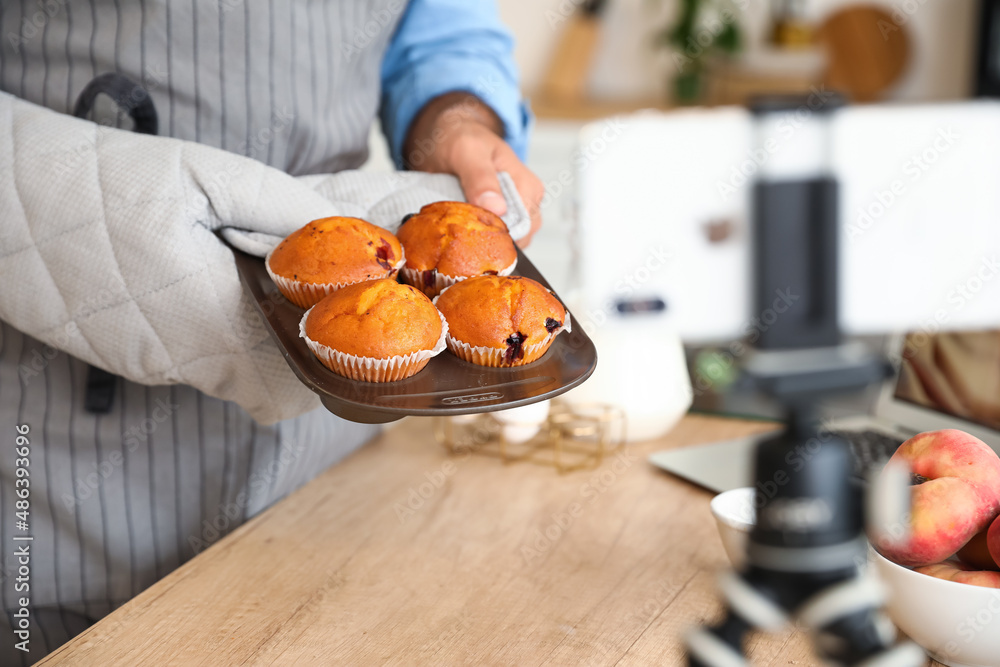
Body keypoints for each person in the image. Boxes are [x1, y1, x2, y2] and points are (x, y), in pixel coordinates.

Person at [0, 1, 543, 663]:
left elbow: (440, 21)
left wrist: (456, 115)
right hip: (63, 450)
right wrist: (52, 197)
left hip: (330, 436)